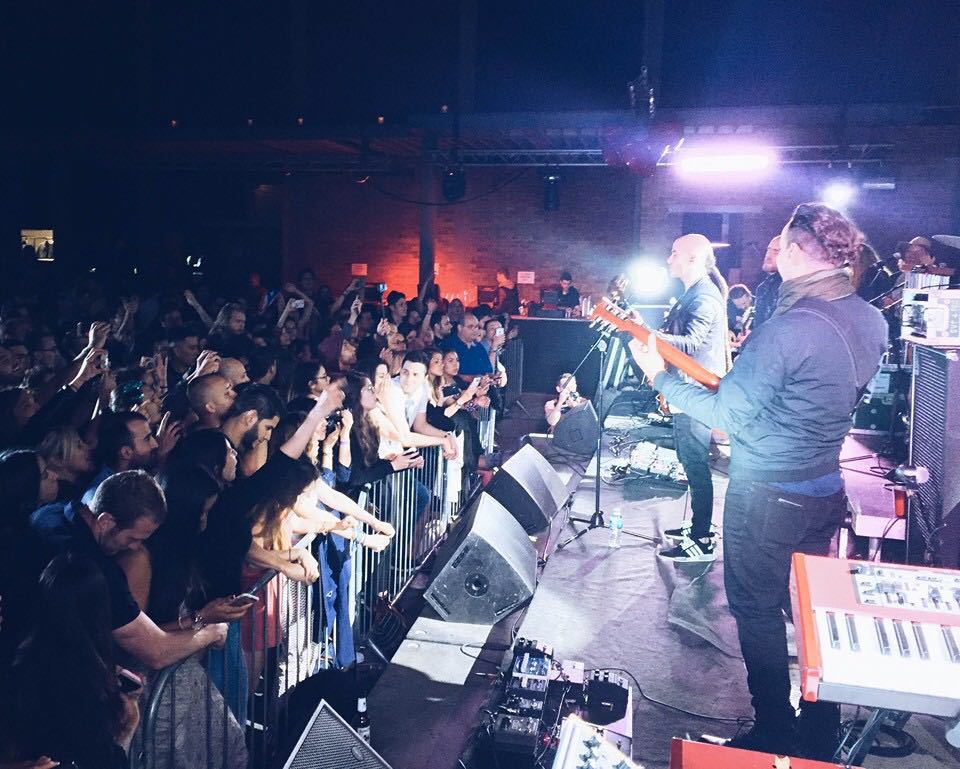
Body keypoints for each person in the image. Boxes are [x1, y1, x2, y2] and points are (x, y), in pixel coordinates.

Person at [629, 202, 887, 758]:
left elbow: (725, 415)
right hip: (825, 486)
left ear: (794, 252)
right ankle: (820, 729)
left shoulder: (788, 329)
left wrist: (659, 378)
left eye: (779, 242)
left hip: (767, 492)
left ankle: (774, 726)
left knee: (755, 609)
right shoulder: (872, 320)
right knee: (810, 611)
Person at [32, 470, 229, 671]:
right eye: (132, 538)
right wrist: (211, 632)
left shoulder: (47, 514)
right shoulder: (98, 570)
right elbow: (156, 651)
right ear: (105, 521)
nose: (135, 547)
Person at [2, 554, 143, 769]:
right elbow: (103, 760)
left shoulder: (20, 661)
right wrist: (129, 724)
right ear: (100, 610)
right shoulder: (85, 683)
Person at [649, 234, 729, 563]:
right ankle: (698, 525)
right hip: (689, 392)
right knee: (690, 461)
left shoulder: (704, 297)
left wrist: (649, 336)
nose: (669, 259)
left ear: (693, 259)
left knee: (696, 465)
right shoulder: (695, 293)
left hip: (695, 395)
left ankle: (702, 538)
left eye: (674, 253)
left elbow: (692, 343)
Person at [751, 235, 783, 330]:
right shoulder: (763, 287)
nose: (768, 255)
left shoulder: (787, 287)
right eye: (768, 250)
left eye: (776, 251)